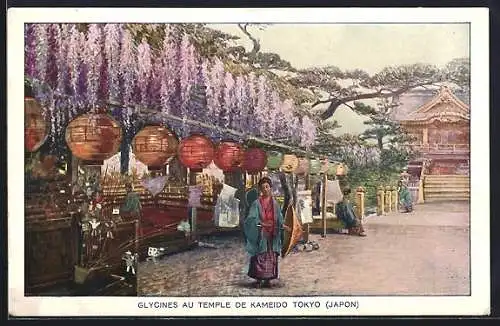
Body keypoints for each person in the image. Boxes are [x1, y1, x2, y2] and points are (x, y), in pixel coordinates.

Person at [243, 177, 290, 288]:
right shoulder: (256, 203)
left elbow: (279, 219)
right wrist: (259, 224)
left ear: (271, 188)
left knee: (271, 256)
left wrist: (284, 226)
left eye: (267, 187)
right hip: (261, 233)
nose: (265, 189)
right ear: (260, 189)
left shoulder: (275, 204)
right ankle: (259, 279)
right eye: (263, 187)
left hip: (273, 233)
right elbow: (251, 218)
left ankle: (268, 279)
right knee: (260, 255)